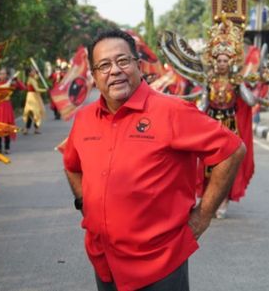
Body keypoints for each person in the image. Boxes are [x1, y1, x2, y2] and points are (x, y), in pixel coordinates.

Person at [63, 29, 246, 291]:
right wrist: (85, 203)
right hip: (104, 262)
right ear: (94, 76)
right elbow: (72, 166)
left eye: (122, 61)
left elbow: (232, 150)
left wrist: (203, 216)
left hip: (160, 265)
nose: (114, 70)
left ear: (138, 66)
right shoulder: (84, 119)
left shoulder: (172, 111)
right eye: (104, 65)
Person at [196, 20, 256, 219]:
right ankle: (210, 198)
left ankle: (224, 200)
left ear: (231, 62)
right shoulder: (209, 81)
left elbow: (250, 100)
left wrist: (243, 85)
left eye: (225, 60)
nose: (222, 63)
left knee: (228, 164)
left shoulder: (235, 81)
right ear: (214, 61)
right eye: (219, 60)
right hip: (211, 125)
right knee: (209, 164)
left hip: (230, 126)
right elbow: (203, 105)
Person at [0, 68, 26, 154]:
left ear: (6, 75)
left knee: (8, 127)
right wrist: (10, 81)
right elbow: (2, 88)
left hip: (7, 107)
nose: (2, 75)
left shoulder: (11, 84)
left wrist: (16, 80)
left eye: (3, 74)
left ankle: (7, 147)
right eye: (0, 74)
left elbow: (23, 87)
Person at [22, 68, 47, 134]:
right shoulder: (31, 80)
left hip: (34, 96)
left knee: (33, 113)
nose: (34, 72)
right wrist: (45, 90)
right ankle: (31, 129)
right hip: (32, 97)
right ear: (29, 73)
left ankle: (30, 129)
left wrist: (38, 73)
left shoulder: (32, 78)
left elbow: (37, 77)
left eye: (34, 71)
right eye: (33, 71)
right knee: (35, 113)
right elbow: (36, 89)